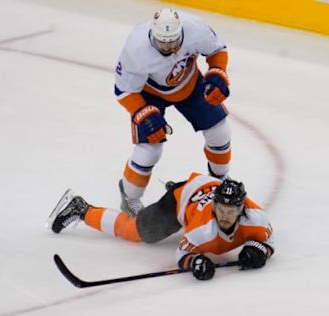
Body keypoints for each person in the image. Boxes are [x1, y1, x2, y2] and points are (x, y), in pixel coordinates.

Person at [47, 172, 274, 281]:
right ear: (214, 206)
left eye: (231, 211)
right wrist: (195, 261)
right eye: (221, 209)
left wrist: (259, 249)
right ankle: (81, 209)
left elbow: (268, 241)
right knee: (137, 232)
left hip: (204, 186)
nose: (224, 216)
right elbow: (182, 253)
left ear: (242, 209)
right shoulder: (201, 229)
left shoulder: (257, 218)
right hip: (181, 200)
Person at [114, 8, 232, 215]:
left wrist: (217, 72)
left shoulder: (195, 28)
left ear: (181, 32)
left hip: (190, 83)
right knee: (149, 151)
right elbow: (123, 90)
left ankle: (219, 179)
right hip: (149, 94)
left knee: (219, 131)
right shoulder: (136, 48)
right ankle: (129, 197)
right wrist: (142, 113)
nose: (168, 47)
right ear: (153, 35)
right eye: (162, 42)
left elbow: (217, 49)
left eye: (173, 41)